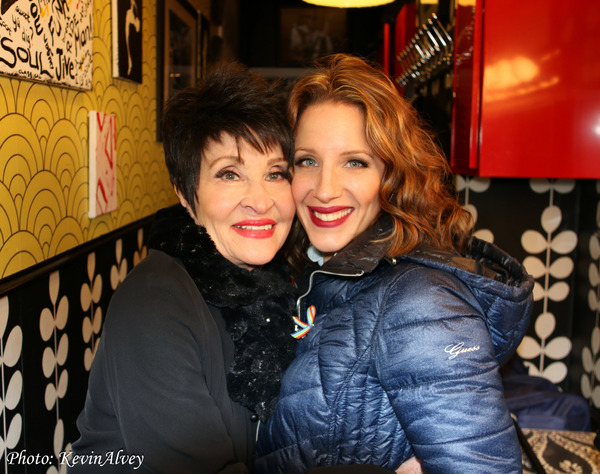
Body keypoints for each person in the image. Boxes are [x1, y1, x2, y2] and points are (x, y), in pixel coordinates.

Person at [254, 54, 534, 473]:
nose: (324, 189)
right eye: (308, 161)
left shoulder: (421, 303)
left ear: (393, 176)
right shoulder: (328, 274)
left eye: (355, 162)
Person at [70, 63, 298, 473]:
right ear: (186, 195)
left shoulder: (275, 288)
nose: (260, 201)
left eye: (275, 174)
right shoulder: (154, 305)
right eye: (230, 174)